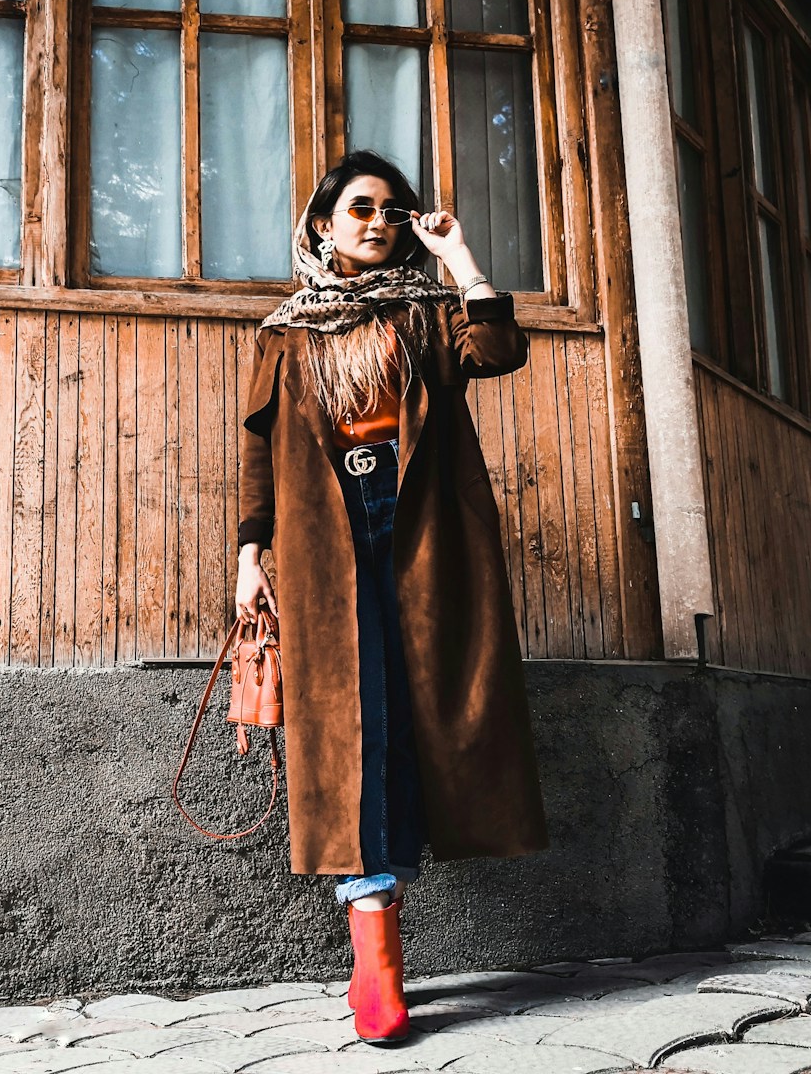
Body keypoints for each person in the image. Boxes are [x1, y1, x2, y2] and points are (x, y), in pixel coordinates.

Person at [234, 151, 548, 1043]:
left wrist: (459, 261)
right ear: (324, 224)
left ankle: (392, 936)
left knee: (428, 709)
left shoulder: (430, 315)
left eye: (392, 209)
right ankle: (374, 959)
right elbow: (259, 452)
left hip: (425, 526)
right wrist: (251, 551)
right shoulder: (283, 334)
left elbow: (498, 350)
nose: (376, 220)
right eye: (358, 207)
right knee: (350, 725)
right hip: (321, 537)